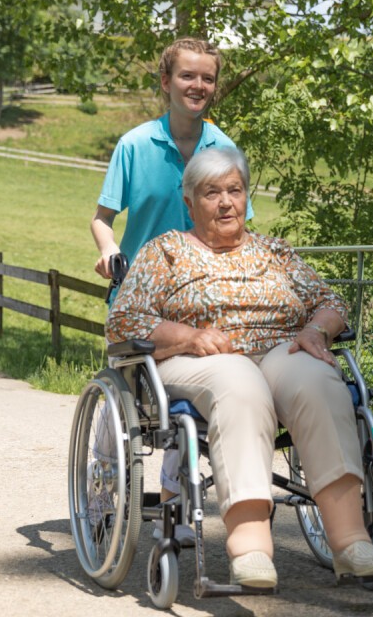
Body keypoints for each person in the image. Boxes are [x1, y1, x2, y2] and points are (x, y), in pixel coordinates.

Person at [107, 147, 373, 588]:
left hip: (279, 351)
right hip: (198, 361)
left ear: (246, 196)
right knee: (239, 383)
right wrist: (188, 336)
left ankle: (350, 540)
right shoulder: (164, 252)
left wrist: (317, 331)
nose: (225, 201)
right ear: (189, 202)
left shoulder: (274, 252)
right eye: (212, 192)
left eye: (234, 190)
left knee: (320, 379)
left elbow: (331, 302)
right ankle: (251, 546)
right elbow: (124, 321)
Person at [90, 37, 250, 512]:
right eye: (187, 75)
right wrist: (110, 250)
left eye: (207, 78)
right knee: (127, 386)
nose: (198, 85)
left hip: (204, 298)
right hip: (144, 295)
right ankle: (101, 481)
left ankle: (177, 496)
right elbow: (102, 218)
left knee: (195, 386)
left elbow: (238, 221)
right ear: (166, 82)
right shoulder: (135, 145)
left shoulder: (223, 147)